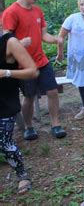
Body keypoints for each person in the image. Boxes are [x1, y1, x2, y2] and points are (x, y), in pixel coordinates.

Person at [2, 0, 67, 140]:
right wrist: (19, 43)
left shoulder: (37, 11)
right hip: (24, 65)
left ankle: (56, 124)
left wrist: (55, 40)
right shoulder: (11, 12)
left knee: (52, 91)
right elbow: (5, 41)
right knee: (29, 96)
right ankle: (29, 127)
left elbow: (43, 34)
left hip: (41, 60)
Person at [0, 11, 38, 194]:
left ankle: (22, 175)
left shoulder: (9, 42)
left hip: (5, 103)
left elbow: (32, 71)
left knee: (5, 143)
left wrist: (7, 73)